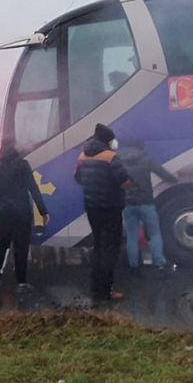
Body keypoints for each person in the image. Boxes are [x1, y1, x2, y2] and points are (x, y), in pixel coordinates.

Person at [75, 123, 132, 302]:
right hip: (110, 208)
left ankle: (95, 286)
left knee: (99, 246)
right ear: (108, 140)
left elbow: (78, 178)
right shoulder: (110, 157)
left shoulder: (82, 156)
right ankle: (106, 291)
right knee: (110, 250)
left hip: (92, 208)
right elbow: (124, 181)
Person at [0, 138, 50, 290]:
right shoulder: (23, 164)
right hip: (22, 211)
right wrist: (43, 211)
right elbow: (33, 188)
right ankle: (21, 281)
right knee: (21, 246)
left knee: (3, 243)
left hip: (5, 212)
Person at [117, 140, 178, 270]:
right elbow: (163, 173)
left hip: (128, 204)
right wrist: (173, 180)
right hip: (146, 203)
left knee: (132, 235)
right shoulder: (145, 160)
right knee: (154, 234)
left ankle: (133, 266)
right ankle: (159, 264)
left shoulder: (119, 163)